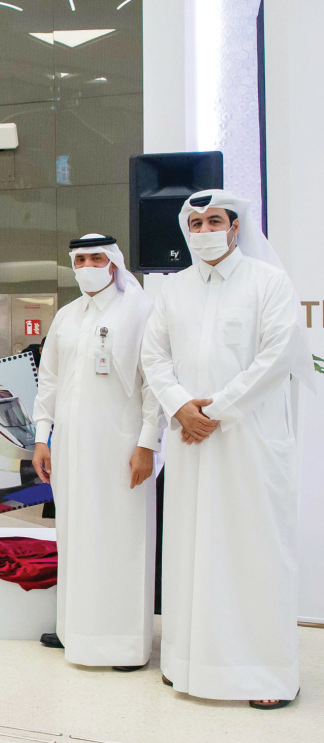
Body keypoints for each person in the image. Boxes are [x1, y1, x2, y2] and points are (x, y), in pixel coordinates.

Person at [141, 189, 310, 709]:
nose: (205, 231)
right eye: (195, 223)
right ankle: (186, 663)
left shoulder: (268, 281)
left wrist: (214, 411)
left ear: (236, 227)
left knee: (254, 549)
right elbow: (154, 355)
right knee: (191, 547)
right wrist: (180, 406)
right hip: (190, 440)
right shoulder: (173, 289)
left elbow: (278, 355)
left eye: (215, 221)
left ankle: (265, 676)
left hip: (249, 441)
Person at [32, 235, 164, 671]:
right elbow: (49, 380)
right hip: (71, 446)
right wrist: (42, 436)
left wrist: (147, 443)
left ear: (113, 263)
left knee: (121, 537)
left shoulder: (140, 311)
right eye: (80, 260)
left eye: (97, 258)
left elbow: (154, 383)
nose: (88, 266)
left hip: (121, 445)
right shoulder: (67, 316)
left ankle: (123, 645)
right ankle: (74, 629)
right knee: (74, 534)